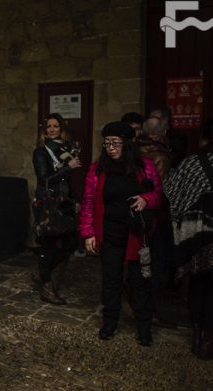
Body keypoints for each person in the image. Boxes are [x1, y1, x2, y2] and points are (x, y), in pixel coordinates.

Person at [79, 121, 162, 346]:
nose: (111, 148)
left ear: (127, 144)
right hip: (110, 233)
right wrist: (88, 233)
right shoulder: (97, 169)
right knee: (111, 281)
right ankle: (110, 323)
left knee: (140, 282)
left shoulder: (144, 166)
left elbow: (158, 194)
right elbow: (87, 201)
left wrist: (146, 199)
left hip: (137, 235)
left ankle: (143, 327)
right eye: (107, 143)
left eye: (115, 143)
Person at [165, 120, 213, 359]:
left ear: (204, 138)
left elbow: (172, 198)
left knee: (197, 284)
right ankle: (208, 338)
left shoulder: (190, 164)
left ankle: (196, 333)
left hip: (195, 236)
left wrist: (177, 230)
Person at [32, 113, 82, 305]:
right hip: (48, 203)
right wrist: (68, 167)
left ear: (62, 129)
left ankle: (42, 272)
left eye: (56, 126)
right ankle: (46, 286)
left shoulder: (66, 149)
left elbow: (68, 181)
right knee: (48, 244)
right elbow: (45, 180)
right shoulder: (41, 152)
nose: (52, 129)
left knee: (70, 243)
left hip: (64, 202)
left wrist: (76, 199)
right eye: (49, 127)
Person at [136, 117, 175, 327]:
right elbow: (163, 193)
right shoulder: (160, 156)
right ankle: (148, 311)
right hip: (155, 218)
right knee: (155, 264)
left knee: (140, 262)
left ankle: (139, 305)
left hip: (136, 216)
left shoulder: (133, 151)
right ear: (161, 134)